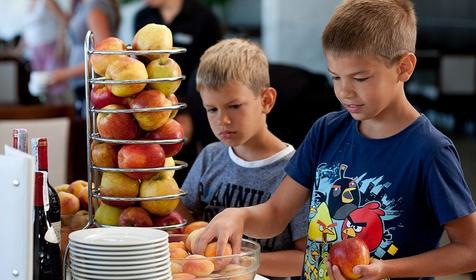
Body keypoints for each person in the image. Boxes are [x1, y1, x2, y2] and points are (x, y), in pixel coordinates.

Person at [192, 1, 476, 279]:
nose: (345, 92)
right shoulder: (326, 130)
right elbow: (276, 213)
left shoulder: (430, 151)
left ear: (404, 67)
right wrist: (237, 216)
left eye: (360, 78)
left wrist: (385, 270)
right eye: (336, 77)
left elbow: (469, 249)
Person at [177, 38, 309, 279]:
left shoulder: (297, 170)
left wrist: (237, 261)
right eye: (212, 109)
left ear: (266, 100)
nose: (222, 120)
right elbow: (187, 225)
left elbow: (305, 258)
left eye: (235, 106)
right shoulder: (210, 156)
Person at [134, 0, 222, 185]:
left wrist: (187, 110)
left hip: (195, 107)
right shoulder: (143, 17)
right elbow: (139, 68)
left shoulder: (204, 18)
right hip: (151, 108)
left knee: (186, 171)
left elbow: (212, 72)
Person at [49, 0, 121, 117]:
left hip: (92, 85)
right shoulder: (84, 5)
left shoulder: (95, 6)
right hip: (86, 84)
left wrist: (61, 75)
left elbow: (104, 57)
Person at [22, 0, 68, 104]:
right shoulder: (28, 4)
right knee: (41, 87)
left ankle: (60, 114)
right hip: (35, 52)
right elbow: (27, 30)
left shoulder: (47, 1)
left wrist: (61, 45)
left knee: (54, 84)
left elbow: (63, 19)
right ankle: (50, 114)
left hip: (50, 48)